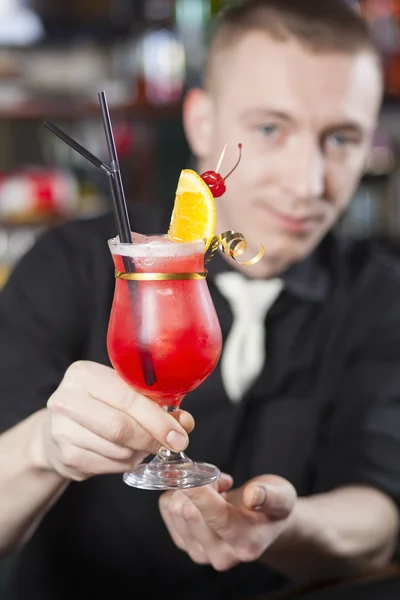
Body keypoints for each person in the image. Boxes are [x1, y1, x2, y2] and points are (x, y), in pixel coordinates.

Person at [0, 1, 400, 598]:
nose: (308, 183)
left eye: (341, 138)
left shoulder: (382, 295)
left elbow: (379, 513)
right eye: (270, 129)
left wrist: (283, 529)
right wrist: (43, 448)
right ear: (201, 123)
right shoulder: (68, 266)